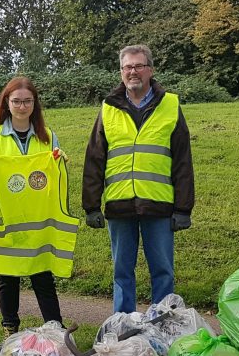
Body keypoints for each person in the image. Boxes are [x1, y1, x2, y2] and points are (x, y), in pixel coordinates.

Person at [82, 44, 195, 313]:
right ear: (121, 72)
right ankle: (123, 330)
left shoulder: (170, 105)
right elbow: (95, 158)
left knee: (163, 272)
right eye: (128, 67)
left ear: (150, 70)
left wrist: (183, 208)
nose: (133, 72)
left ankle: (164, 326)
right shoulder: (108, 108)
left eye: (139, 66)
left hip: (160, 206)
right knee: (122, 273)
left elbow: (182, 160)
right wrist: (91, 206)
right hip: (120, 205)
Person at [0, 77, 70, 341]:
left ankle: (55, 329)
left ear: (35, 104)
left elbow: (53, 179)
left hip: (38, 218)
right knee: (8, 276)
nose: (22, 106)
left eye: (27, 101)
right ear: (7, 104)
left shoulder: (48, 138)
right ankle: (9, 331)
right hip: (7, 218)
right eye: (16, 101)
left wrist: (60, 164)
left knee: (42, 275)